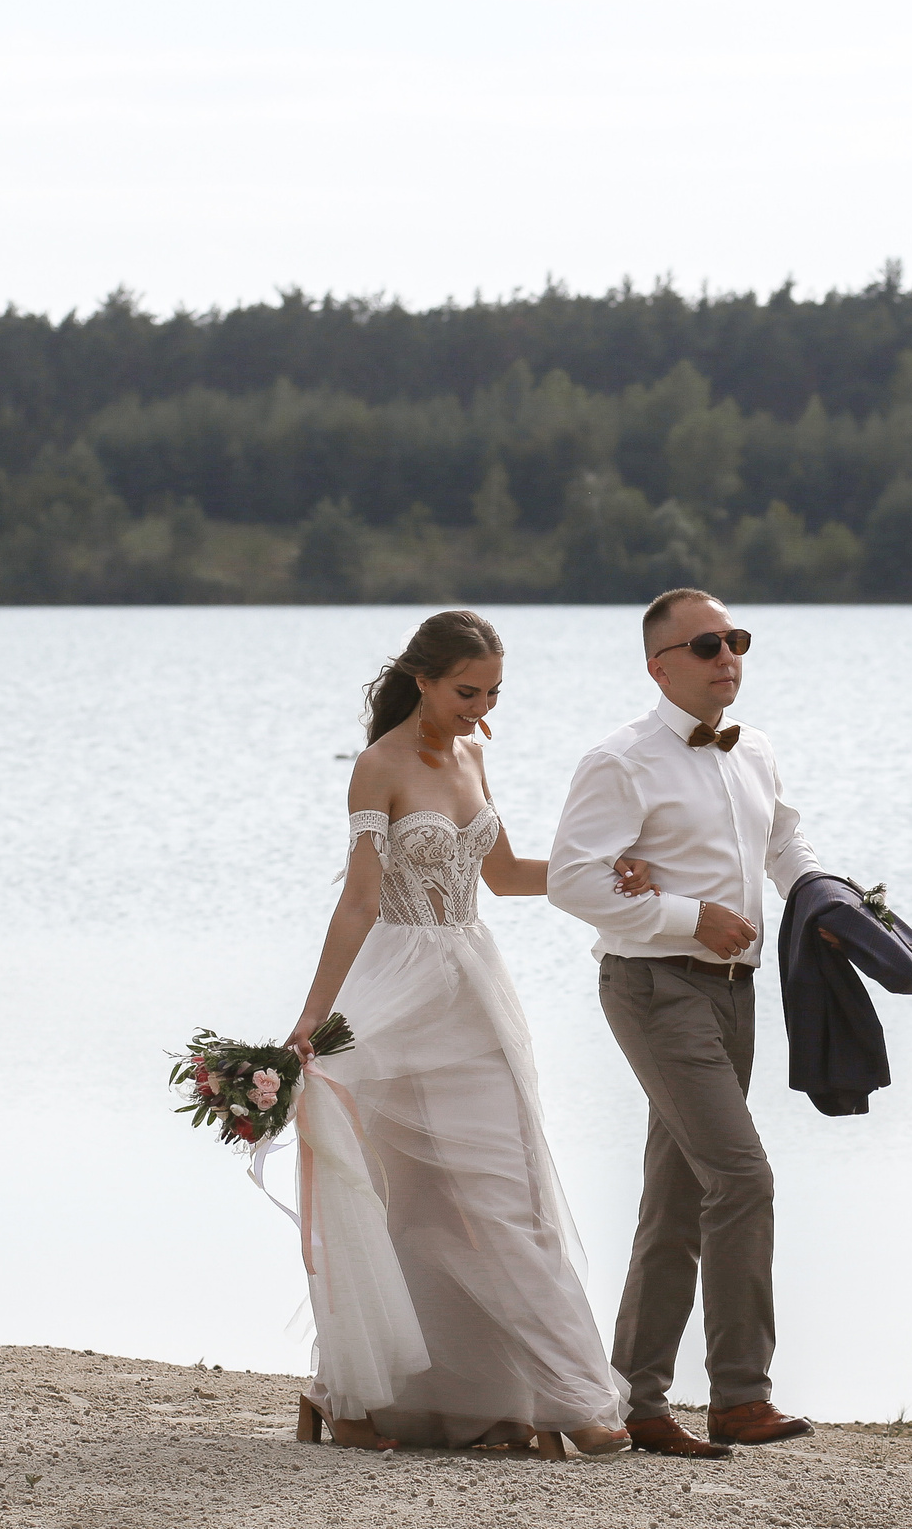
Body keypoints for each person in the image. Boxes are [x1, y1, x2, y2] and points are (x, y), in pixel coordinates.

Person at [279, 609, 639, 1457]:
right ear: (421, 680)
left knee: (503, 1199)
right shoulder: (379, 766)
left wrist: (604, 874)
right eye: (465, 692)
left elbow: (506, 876)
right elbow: (362, 902)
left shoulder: (475, 751)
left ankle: (518, 1394)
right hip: (396, 995)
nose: (480, 710)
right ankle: (359, 1390)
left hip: (473, 992)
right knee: (396, 1196)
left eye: (493, 693)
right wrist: (311, 1016)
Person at [547, 588, 824, 1459]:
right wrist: (687, 915)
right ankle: (742, 1395)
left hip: (738, 995)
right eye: (707, 644)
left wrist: (824, 899)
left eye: (737, 639)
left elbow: (785, 844)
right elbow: (571, 880)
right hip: (655, 988)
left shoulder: (758, 751)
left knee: (677, 1199)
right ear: (660, 665)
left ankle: (638, 1401)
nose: (728, 656)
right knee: (742, 1177)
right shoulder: (620, 760)